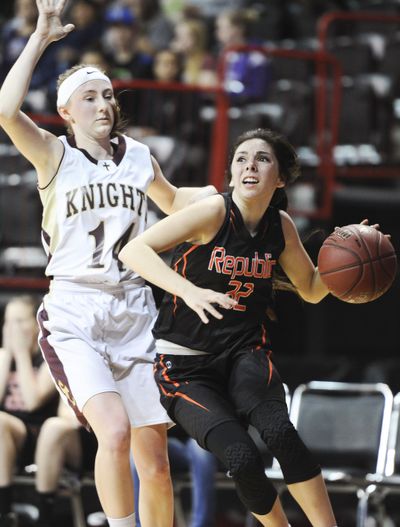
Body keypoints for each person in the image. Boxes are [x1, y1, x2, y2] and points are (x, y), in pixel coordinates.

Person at [0, 1, 216, 526]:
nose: (103, 104)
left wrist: (220, 199)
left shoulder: (139, 156)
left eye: (107, 96)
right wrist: (40, 39)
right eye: (88, 97)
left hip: (135, 310)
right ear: (67, 111)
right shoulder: (54, 155)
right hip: (75, 309)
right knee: (113, 432)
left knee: (157, 464)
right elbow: (5, 111)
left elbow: (171, 204)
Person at [118, 127, 345, 526]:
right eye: (241, 158)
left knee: (281, 434)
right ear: (231, 174)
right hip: (185, 368)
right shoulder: (214, 212)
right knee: (241, 457)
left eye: (261, 158)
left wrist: (347, 258)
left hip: (244, 353)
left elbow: (310, 289)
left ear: (280, 178)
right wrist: (188, 291)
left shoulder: (281, 226)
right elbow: (134, 250)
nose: (249, 165)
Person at [0, 295, 58, 527]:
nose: (13, 329)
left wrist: (23, 354)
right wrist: (7, 354)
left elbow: (33, 401)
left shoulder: (49, 356)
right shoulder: (2, 356)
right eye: (8, 322)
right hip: (6, 436)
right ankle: (5, 512)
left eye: (20, 321)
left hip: (39, 434)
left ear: (36, 323)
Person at [34, 400, 98, 527]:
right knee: (53, 426)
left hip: (117, 434)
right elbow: (64, 412)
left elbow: (32, 402)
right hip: (81, 437)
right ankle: (44, 518)